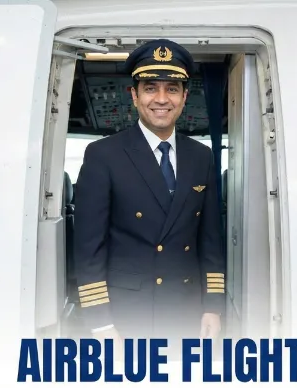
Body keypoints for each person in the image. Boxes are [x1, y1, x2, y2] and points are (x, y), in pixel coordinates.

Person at [74, 39, 226, 342]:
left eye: (171, 89)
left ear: (184, 97)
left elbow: (210, 241)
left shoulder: (201, 156)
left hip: (186, 310)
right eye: (150, 88)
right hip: (126, 313)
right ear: (134, 95)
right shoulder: (103, 155)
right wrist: (100, 323)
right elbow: (89, 250)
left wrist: (213, 306)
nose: (161, 99)